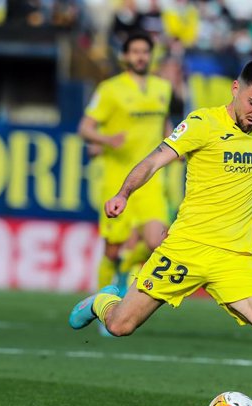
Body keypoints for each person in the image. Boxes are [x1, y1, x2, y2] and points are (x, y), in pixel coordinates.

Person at [70, 61, 252, 406]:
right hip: (186, 248)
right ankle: (101, 302)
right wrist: (124, 193)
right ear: (235, 89)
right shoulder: (202, 124)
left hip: (233, 256)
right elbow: (154, 160)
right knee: (120, 326)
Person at [78, 30, 173, 297]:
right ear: (125, 56)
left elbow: (165, 126)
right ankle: (100, 304)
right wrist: (106, 138)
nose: (140, 57)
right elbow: (84, 128)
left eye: (145, 52)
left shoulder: (162, 89)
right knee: (112, 248)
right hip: (117, 179)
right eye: (135, 52)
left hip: (151, 180)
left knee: (157, 241)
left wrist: (179, 148)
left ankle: (128, 266)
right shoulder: (110, 90)